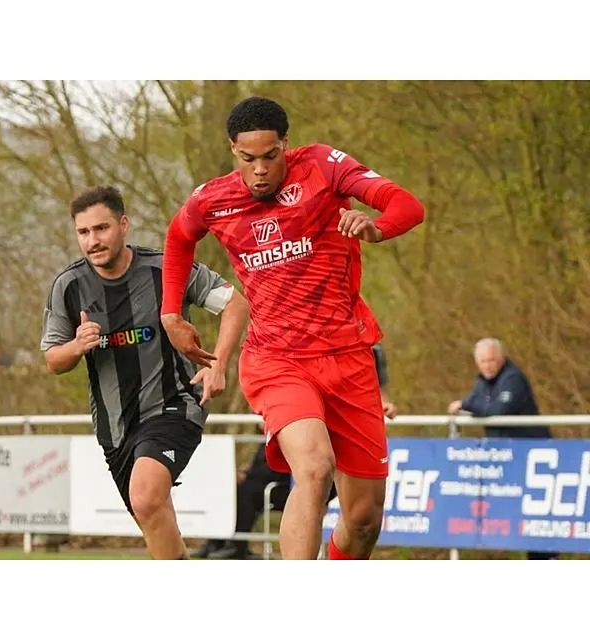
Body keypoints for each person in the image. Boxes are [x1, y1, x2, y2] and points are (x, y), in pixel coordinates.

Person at [161, 97, 425, 560]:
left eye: (270, 155)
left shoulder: (324, 166)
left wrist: (377, 227)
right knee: (314, 468)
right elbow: (178, 238)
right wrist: (170, 314)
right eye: (248, 158)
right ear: (233, 150)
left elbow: (407, 205)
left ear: (286, 143)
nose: (260, 169)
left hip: (347, 357)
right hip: (276, 360)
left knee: (363, 519)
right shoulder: (213, 199)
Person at [41, 185, 249, 559]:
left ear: (124, 225)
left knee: (147, 497)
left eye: (101, 228)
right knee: (151, 515)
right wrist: (77, 346)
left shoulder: (166, 268)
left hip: (174, 405)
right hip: (115, 428)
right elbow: (54, 360)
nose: (92, 240)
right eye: (83, 232)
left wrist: (218, 363)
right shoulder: (68, 286)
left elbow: (235, 303)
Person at [194, 343, 397, 559]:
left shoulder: (369, 346)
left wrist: (384, 403)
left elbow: (381, 391)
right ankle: (230, 545)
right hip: (285, 367)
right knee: (312, 473)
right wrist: (219, 361)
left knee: (363, 522)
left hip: (348, 408)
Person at [447, 337, 557, 560]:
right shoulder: (482, 382)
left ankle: (547, 558)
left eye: (491, 360)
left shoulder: (513, 378)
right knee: (516, 516)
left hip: (532, 458)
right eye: (483, 361)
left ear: (502, 359)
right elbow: (479, 404)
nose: (487, 366)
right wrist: (470, 405)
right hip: (507, 459)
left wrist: (466, 405)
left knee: (536, 515)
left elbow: (497, 410)